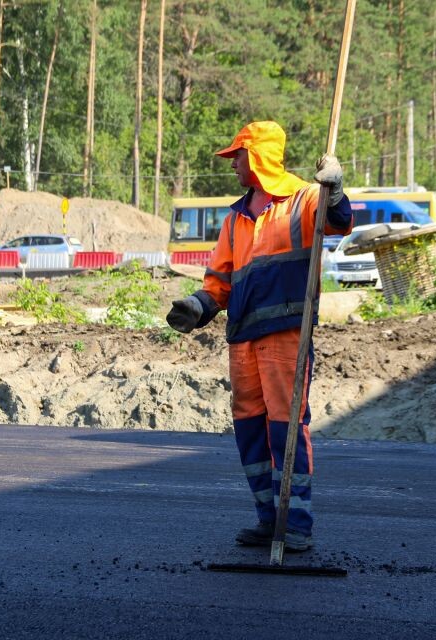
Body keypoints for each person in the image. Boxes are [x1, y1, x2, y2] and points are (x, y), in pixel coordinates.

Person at [165, 121, 353, 552]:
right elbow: (219, 281)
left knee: (287, 429)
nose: (232, 164)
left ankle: (297, 524)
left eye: (238, 155)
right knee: (250, 429)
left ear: (259, 157)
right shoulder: (235, 218)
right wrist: (199, 305)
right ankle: (269, 518)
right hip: (244, 337)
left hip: (287, 333)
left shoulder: (305, 198)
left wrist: (336, 188)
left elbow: (340, 222)